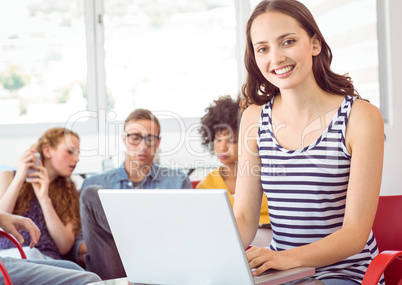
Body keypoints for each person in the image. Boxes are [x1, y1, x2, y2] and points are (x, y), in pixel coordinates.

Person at [233, 1, 384, 284]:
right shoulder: (253, 119)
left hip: (345, 272)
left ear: (314, 44)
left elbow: (354, 234)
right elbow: (243, 218)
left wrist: (285, 258)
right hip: (281, 272)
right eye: (263, 48)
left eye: (287, 42)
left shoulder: (360, 118)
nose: (276, 58)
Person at [80, 108, 192, 280]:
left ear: (159, 141)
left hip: (159, 262)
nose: (143, 146)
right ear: (124, 139)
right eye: (135, 137)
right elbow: (80, 239)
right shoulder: (95, 183)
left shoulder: (177, 181)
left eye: (151, 139)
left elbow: (186, 233)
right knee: (91, 193)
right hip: (112, 264)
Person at [0, 128, 83, 261]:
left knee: (85, 275)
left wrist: (44, 199)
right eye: (70, 151)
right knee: (30, 254)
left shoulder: (70, 192)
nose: (77, 159)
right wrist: (19, 179)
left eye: (78, 153)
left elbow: (64, 246)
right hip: (10, 256)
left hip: (48, 260)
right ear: (47, 151)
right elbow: (1, 222)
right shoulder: (8, 177)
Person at [197, 95, 269, 225]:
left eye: (232, 141)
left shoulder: (268, 178)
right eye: (218, 139)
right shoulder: (206, 187)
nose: (222, 147)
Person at [0, 212, 101, 285]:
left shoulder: (64, 195)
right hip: (12, 254)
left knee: (74, 268)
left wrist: (44, 198)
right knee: (90, 280)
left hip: (43, 254)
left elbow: (64, 246)